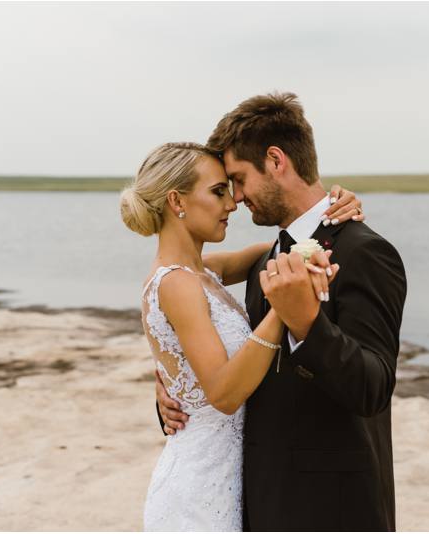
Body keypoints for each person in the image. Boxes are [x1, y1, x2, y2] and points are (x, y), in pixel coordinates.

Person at [157, 93, 407, 531]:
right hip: (259, 501)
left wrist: (307, 324)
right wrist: (176, 384)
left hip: (333, 510)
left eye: (238, 179)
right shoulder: (264, 260)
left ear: (276, 161)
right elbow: (180, 293)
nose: (236, 198)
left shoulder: (364, 252)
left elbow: (374, 388)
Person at [120, 141, 365, 531]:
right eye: (218, 191)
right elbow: (223, 394)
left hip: (230, 481)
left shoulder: (204, 271)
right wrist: (283, 309)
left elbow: (282, 249)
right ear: (176, 200)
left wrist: (330, 212)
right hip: (199, 492)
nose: (232, 203)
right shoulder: (177, 284)